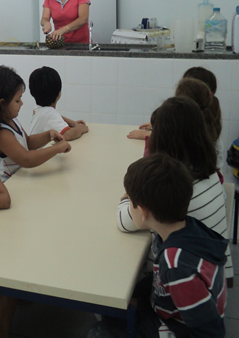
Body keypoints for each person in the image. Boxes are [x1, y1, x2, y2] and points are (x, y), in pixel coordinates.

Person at [93, 153, 227, 338]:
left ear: (142, 212)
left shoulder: (178, 266)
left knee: (98, 332)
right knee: (112, 309)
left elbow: (210, 332)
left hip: (173, 328)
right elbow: (161, 279)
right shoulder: (184, 229)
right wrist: (137, 292)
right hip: (165, 306)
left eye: (130, 201)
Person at [117, 96, 234, 286]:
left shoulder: (169, 185)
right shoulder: (208, 171)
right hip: (214, 276)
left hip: (184, 282)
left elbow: (124, 221)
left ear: (161, 139)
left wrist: (129, 195)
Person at [0, 66, 71, 183]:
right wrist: (56, 148)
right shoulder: (1, 134)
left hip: (20, 180)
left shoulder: (11, 120)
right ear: (2, 103)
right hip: (9, 186)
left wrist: (48, 135)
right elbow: (26, 159)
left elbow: (28, 142)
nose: (21, 103)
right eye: (17, 100)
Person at [127, 66, 220, 141]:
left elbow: (175, 141)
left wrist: (149, 135)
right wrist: (157, 127)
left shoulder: (194, 125)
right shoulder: (207, 115)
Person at [28, 67, 89, 140]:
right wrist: (80, 129)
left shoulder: (38, 109)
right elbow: (68, 135)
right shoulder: (49, 114)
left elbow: (57, 117)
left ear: (32, 92)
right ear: (59, 94)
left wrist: (73, 123)